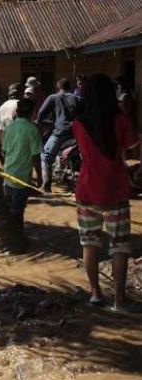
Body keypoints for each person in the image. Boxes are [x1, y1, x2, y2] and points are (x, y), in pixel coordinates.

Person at [72, 73, 139, 312]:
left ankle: (95, 293)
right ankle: (119, 301)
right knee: (119, 246)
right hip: (116, 190)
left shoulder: (78, 122)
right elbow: (132, 148)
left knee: (90, 244)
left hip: (87, 190)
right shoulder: (121, 119)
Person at [2, 98, 42, 228]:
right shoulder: (32, 129)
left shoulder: (9, 127)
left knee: (8, 209)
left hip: (7, 175)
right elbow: (36, 156)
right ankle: (18, 239)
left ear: (17, 112)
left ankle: (10, 236)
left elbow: (4, 151)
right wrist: (40, 177)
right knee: (18, 210)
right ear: (32, 113)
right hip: (22, 177)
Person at [37, 78, 81, 193]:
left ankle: (46, 184)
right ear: (69, 87)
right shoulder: (77, 98)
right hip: (76, 134)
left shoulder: (53, 98)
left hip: (59, 133)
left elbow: (41, 114)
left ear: (58, 87)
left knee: (45, 156)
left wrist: (45, 124)